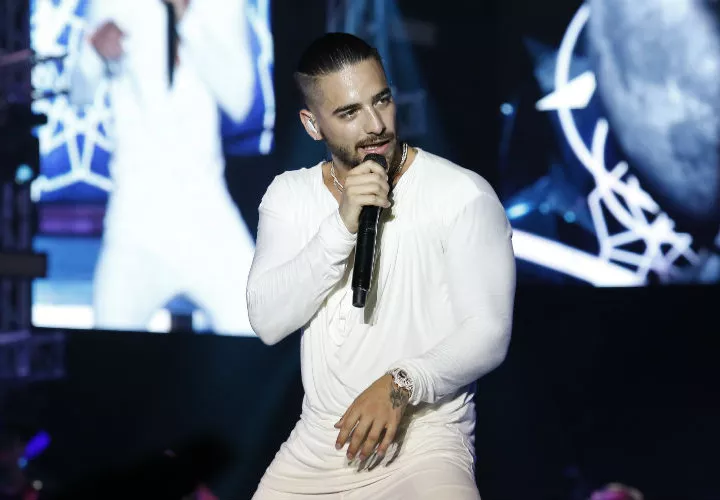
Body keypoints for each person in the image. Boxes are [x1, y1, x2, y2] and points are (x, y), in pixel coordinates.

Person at [246, 33, 516, 499]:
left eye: (382, 101)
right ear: (313, 125)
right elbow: (268, 321)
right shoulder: (289, 196)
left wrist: (402, 382)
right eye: (349, 112)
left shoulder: (462, 194)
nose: (376, 125)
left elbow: (489, 333)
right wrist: (341, 225)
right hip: (318, 449)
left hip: (422, 446)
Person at [69, 0, 257, 334]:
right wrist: (95, 54)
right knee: (107, 354)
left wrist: (188, 21)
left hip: (206, 215)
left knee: (258, 328)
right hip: (135, 219)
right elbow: (79, 93)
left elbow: (240, 102)